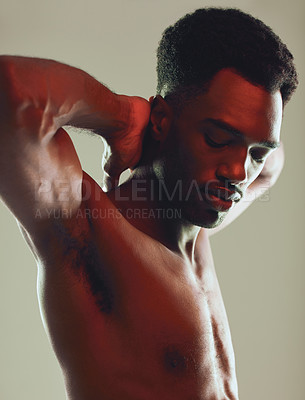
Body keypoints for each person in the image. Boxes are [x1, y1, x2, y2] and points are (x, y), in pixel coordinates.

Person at [0, 7, 298, 400]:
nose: (239, 172)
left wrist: (256, 149)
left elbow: (273, 164)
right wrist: (121, 117)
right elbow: (11, 90)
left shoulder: (199, 220)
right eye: (218, 139)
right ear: (161, 118)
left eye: (254, 151)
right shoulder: (84, 229)